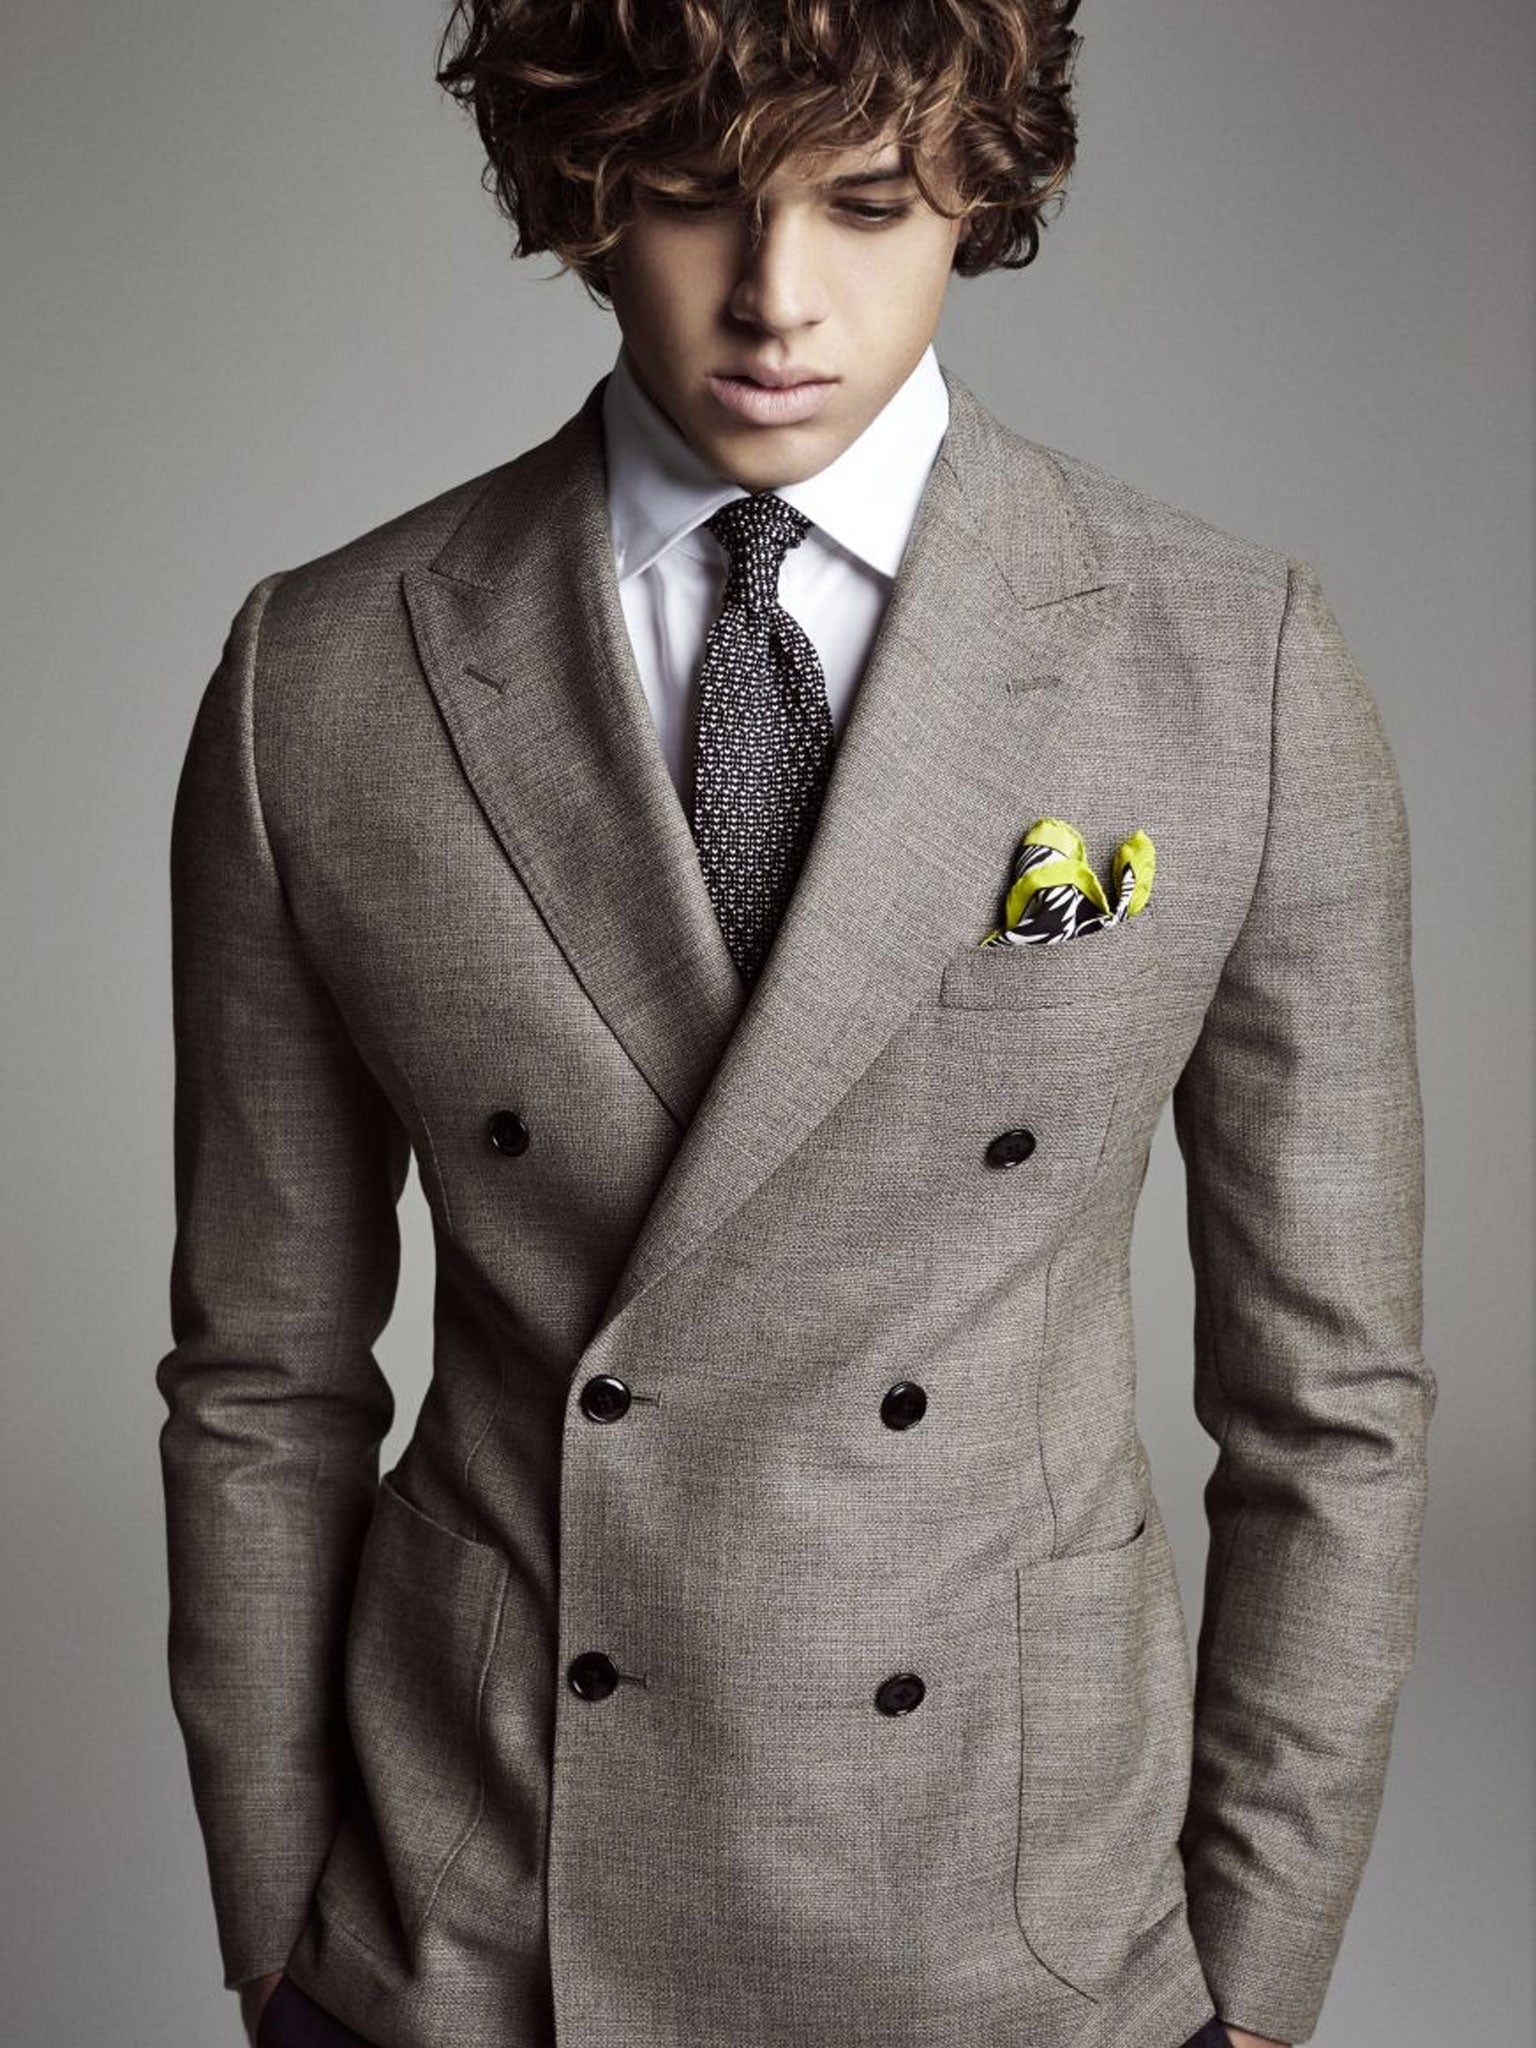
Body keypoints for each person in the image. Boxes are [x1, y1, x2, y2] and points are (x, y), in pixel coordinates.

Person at [155, 5, 1435, 2047]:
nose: (776, 296)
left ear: (980, 194)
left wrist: (1263, 1972)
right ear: (584, 196)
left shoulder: (1231, 666)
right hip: (481, 1916)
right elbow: (264, 1373)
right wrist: (275, 1922)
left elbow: (1330, 1400)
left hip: (1021, 1915)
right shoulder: (322, 679)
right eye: (690, 198)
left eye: (866, 202)